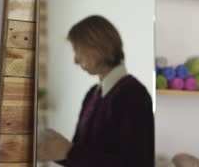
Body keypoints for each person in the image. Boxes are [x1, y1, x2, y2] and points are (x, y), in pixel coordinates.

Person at [38, 15, 154, 166]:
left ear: (97, 48)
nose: (76, 60)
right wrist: (58, 150)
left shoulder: (134, 94)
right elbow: (80, 156)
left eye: (77, 50)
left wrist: (69, 152)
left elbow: (138, 163)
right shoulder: (92, 93)